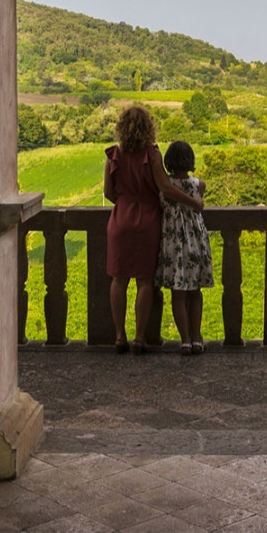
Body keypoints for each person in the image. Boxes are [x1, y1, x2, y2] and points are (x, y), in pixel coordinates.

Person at [104, 106, 202, 354]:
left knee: (119, 279)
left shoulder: (113, 155)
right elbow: (166, 189)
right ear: (148, 127)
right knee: (144, 281)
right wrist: (194, 203)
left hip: (120, 219)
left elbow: (108, 192)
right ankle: (139, 337)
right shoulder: (152, 155)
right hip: (148, 220)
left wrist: (126, 203)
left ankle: (119, 336)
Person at [155, 140, 214, 355]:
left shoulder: (163, 187)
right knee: (195, 292)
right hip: (196, 241)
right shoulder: (199, 185)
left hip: (173, 243)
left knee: (178, 294)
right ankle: (197, 337)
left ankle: (185, 340)